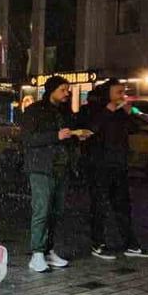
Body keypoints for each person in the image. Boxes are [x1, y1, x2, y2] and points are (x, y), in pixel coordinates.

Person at [22, 76, 91, 273]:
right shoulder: (34, 111)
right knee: (42, 210)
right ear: (51, 90)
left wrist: (78, 136)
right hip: (41, 168)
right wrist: (56, 136)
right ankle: (37, 253)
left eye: (67, 90)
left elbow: (66, 136)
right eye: (63, 90)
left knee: (57, 211)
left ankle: (49, 250)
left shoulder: (64, 111)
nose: (66, 93)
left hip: (61, 168)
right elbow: (28, 139)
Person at [85, 80, 148, 260]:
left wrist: (129, 113)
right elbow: (91, 129)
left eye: (123, 92)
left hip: (119, 165)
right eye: (118, 92)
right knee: (100, 206)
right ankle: (97, 243)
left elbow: (133, 129)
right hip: (100, 166)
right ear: (108, 94)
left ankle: (131, 244)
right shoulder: (96, 109)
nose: (121, 96)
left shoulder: (121, 113)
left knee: (123, 206)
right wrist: (108, 110)